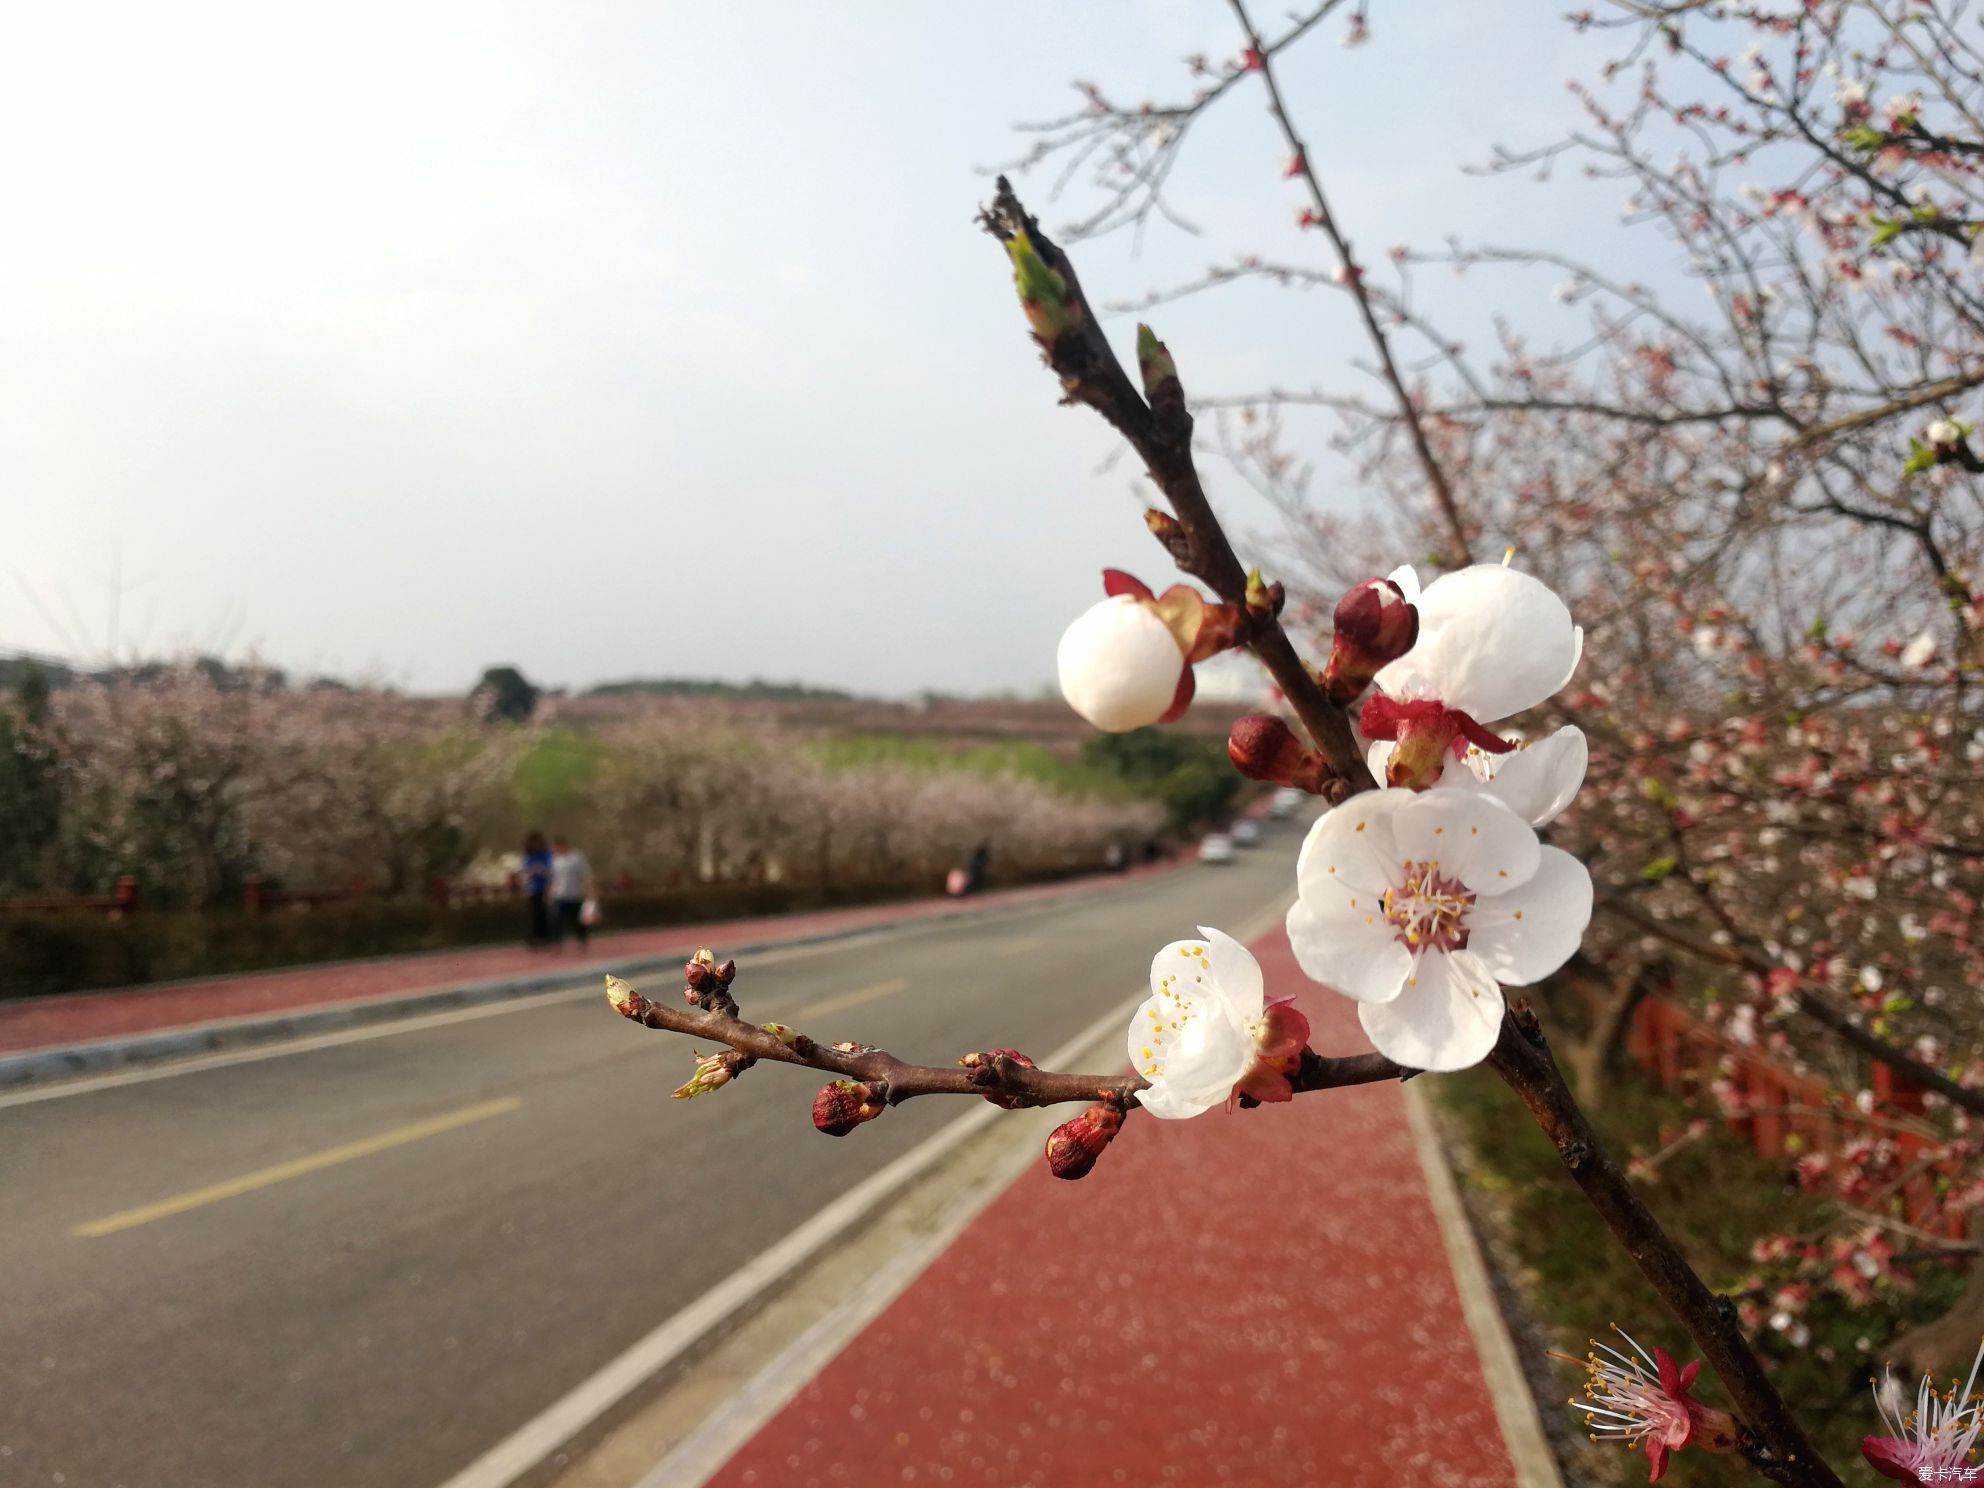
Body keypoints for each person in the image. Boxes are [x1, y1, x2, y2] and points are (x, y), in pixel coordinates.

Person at [549, 835, 594, 950]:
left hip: (575, 895)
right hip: (560, 896)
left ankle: (582, 940)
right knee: (557, 920)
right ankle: (557, 943)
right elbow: (554, 879)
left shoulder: (577, 858)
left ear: (563, 845)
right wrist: (550, 893)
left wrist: (588, 891)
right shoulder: (556, 861)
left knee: (577, 921)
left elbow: (585, 875)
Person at [521, 830, 553, 948]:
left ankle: (547, 938)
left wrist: (542, 870)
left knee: (545, 914)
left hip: (546, 888)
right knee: (535, 914)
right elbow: (524, 871)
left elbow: (551, 869)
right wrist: (531, 871)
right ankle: (534, 938)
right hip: (533, 889)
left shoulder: (546, 854)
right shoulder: (528, 856)